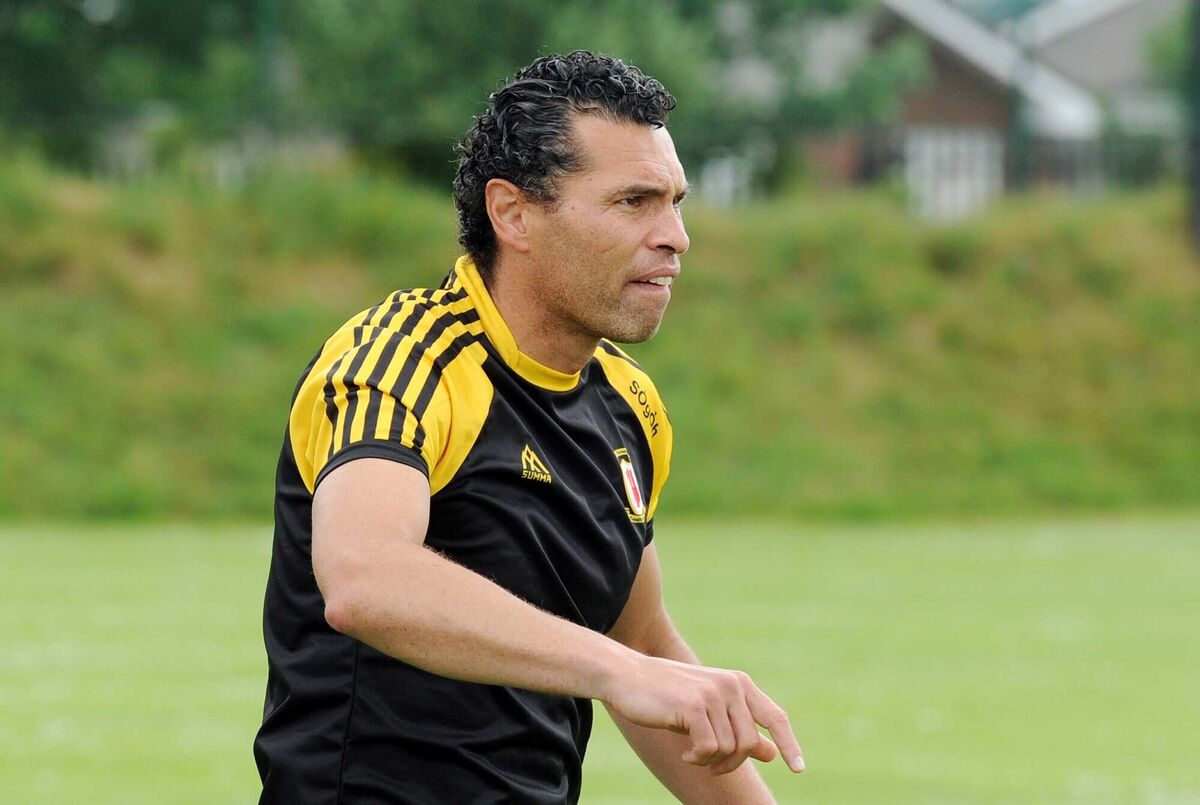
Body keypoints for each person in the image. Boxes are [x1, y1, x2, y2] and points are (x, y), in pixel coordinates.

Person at [254, 50, 803, 804]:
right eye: (633, 202)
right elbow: (363, 577)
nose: (676, 236)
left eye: (676, 201)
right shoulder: (401, 361)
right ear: (512, 212)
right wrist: (624, 671)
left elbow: (638, 639)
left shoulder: (629, 407)